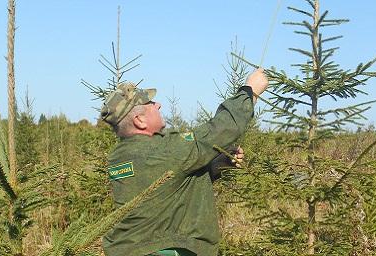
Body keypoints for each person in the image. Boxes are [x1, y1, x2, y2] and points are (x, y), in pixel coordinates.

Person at [100, 68, 269, 255]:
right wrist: (250, 91)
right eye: (150, 103)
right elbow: (220, 129)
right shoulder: (163, 150)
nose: (158, 105)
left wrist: (214, 165)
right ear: (139, 120)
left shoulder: (121, 155)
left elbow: (169, 185)